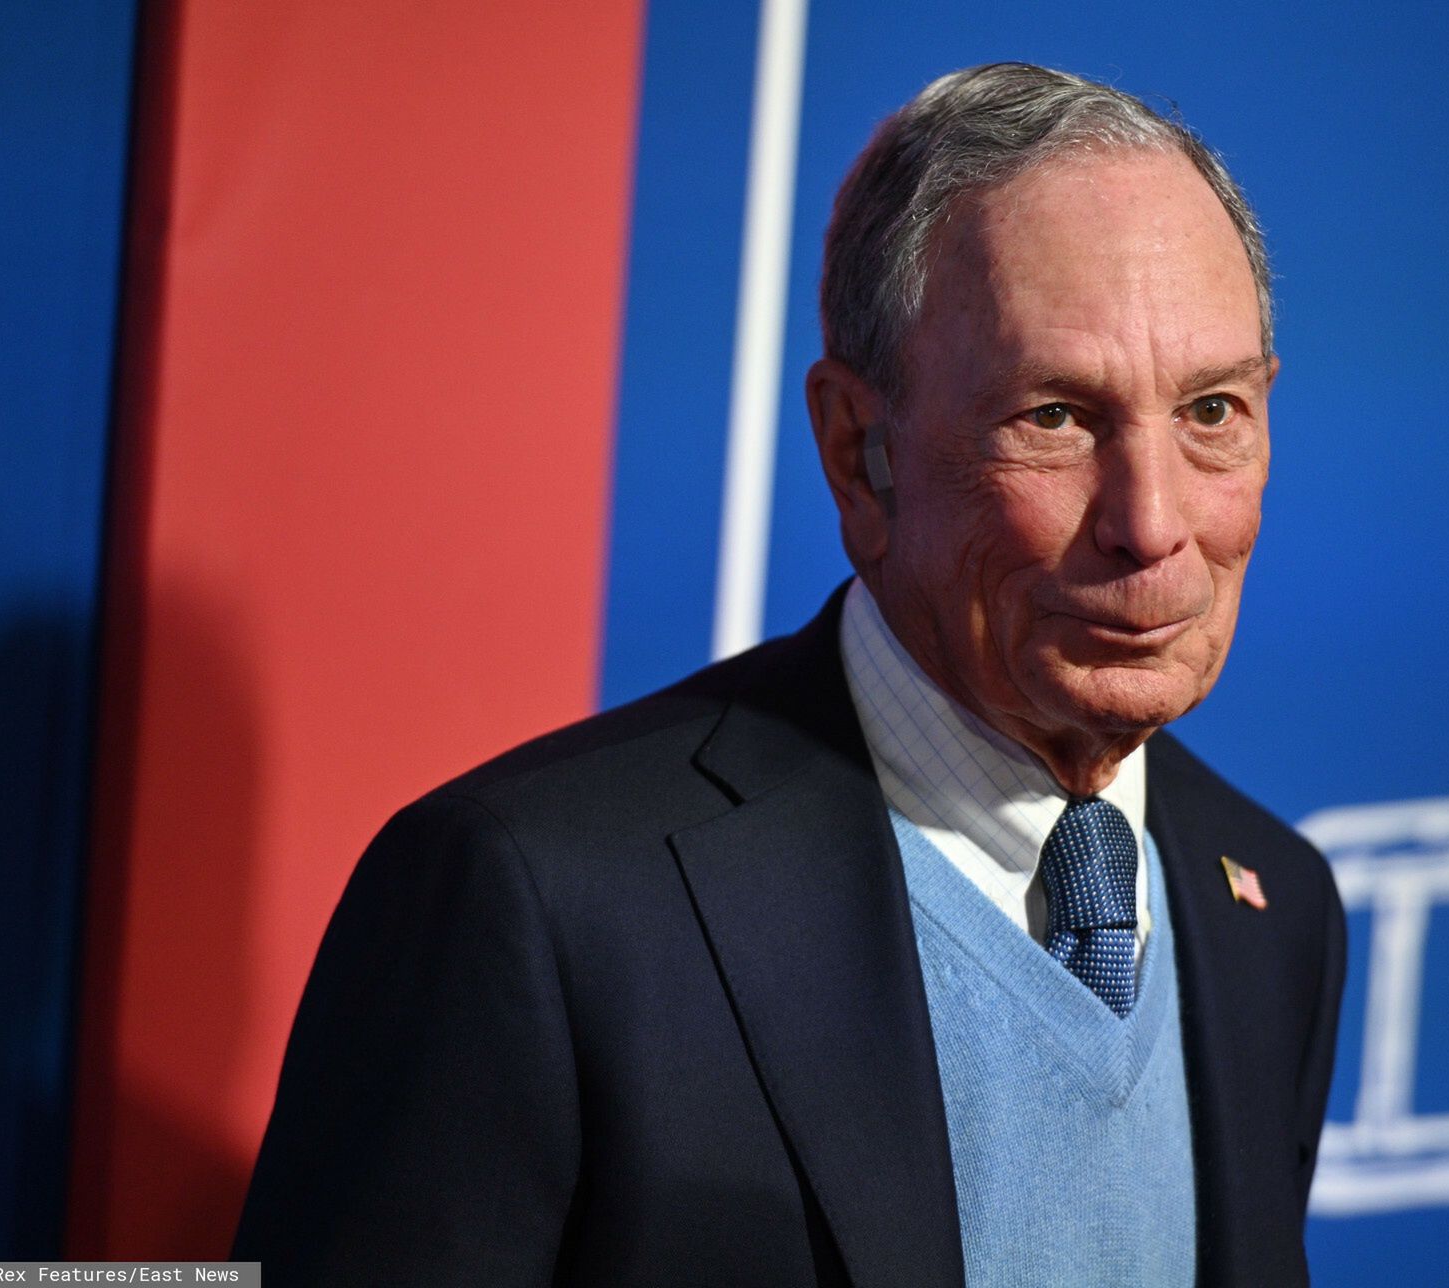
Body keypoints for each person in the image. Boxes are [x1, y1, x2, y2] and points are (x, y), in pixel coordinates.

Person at [233, 62, 1346, 1287]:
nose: (1151, 524)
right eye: (1056, 417)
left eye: (1210, 411)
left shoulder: (1273, 910)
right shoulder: (538, 904)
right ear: (855, 455)